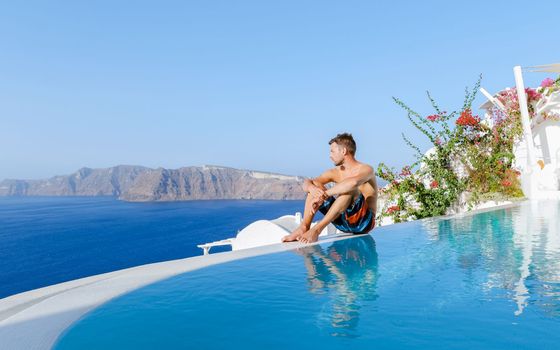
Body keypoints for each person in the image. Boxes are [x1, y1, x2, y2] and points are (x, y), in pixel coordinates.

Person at [282, 133, 377, 243]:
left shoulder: (366, 169)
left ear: (343, 151)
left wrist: (324, 195)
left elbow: (353, 183)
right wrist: (312, 189)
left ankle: (316, 230)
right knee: (315, 186)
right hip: (342, 222)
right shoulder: (335, 172)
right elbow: (308, 182)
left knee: (349, 190)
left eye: (332, 151)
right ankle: (304, 227)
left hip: (363, 223)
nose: (330, 155)